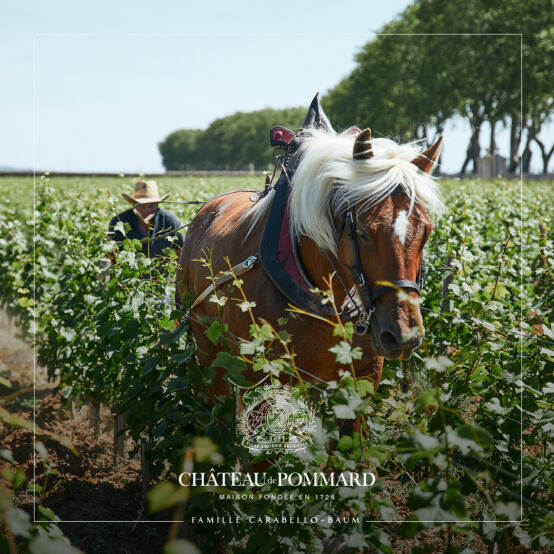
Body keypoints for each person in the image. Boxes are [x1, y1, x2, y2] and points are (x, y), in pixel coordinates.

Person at [108, 180, 184, 258]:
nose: (147, 210)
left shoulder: (170, 221)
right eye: (142, 206)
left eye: (151, 206)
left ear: (157, 205)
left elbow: (181, 252)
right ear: (133, 204)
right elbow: (111, 254)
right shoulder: (119, 221)